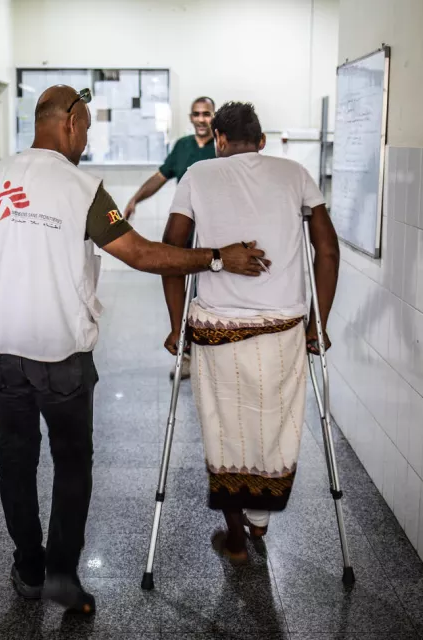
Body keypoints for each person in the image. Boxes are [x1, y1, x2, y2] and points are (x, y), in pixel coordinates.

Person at [0, 86, 269, 614]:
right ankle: (63, 576)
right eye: (86, 127)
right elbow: (138, 253)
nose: (87, 140)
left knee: (14, 460)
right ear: (69, 121)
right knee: (71, 463)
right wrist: (216, 259)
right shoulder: (83, 187)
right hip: (60, 354)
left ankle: (28, 567)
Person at [160, 102, 340, 562]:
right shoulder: (295, 173)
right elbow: (328, 250)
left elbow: (170, 251)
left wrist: (174, 324)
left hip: (217, 329)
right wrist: (318, 326)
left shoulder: (199, 175)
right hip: (282, 329)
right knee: (273, 426)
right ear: (262, 141)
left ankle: (236, 535)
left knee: (226, 430)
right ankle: (259, 521)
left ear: (218, 139)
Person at [125, 96, 217, 381]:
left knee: (212, 294)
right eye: (197, 114)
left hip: (216, 233)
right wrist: (135, 199)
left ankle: (213, 356)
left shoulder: (223, 146)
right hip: (186, 232)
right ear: (190, 118)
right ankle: (186, 353)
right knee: (184, 294)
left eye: (207, 114)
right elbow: (160, 176)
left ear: (214, 117)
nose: (202, 119)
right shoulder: (183, 147)